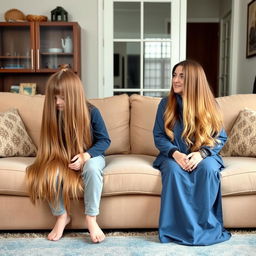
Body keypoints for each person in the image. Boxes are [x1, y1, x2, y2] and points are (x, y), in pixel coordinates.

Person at [26, 66, 111, 243]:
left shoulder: (92, 112)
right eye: (54, 97)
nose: (57, 102)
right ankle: (61, 216)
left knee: (92, 169)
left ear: (74, 96)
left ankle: (91, 219)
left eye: (62, 98)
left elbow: (104, 141)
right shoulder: (54, 115)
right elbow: (51, 148)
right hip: (63, 160)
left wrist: (85, 156)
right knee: (49, 172)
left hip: (91, 157)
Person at [153, 60, 231, 246]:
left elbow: (220, 137)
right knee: (173, 171)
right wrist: (175, 154)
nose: (175, 80)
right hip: (173, 155)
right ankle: (175, 230)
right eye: (174, 75)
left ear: (194, 80)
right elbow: (158, 136)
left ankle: (205, 228)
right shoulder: (165, 104)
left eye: (181, 76)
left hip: (203, 154)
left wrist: (201, 154)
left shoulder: (211, 105)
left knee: (208, 170)